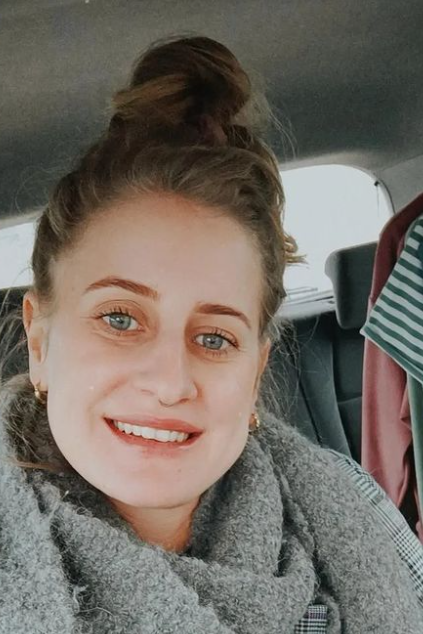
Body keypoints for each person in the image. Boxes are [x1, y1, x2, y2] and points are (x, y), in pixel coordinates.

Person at [0, 36, 421, 634]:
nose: (170, 382)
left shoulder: (353, 502)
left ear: (254, 373)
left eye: (215, 338)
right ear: (41, 343)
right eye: (120, 319)